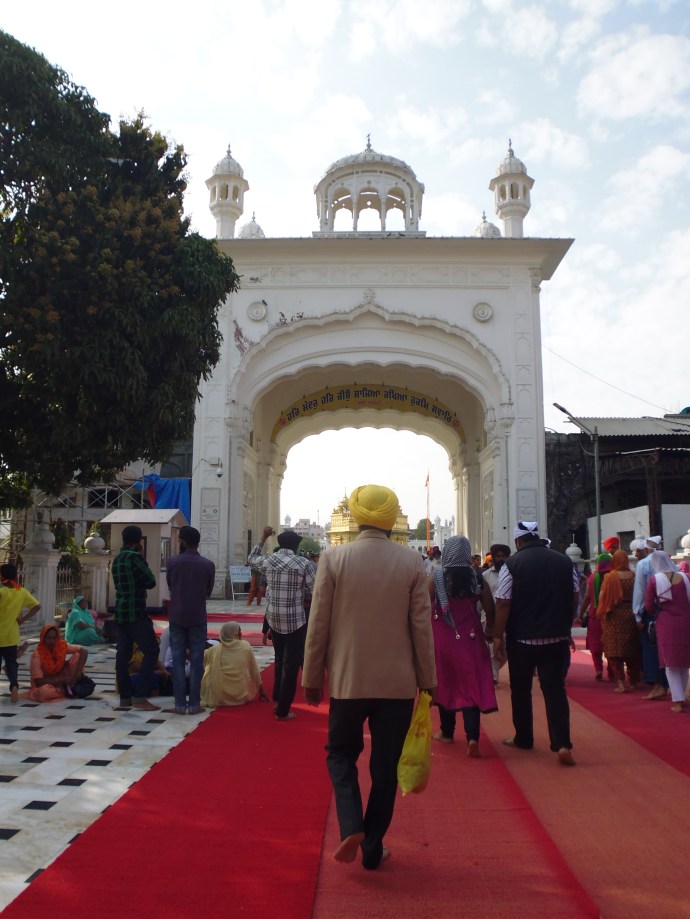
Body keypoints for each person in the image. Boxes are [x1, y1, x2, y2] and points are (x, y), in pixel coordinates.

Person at [302, 484, 436, 870]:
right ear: (392, 518)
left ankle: (350, 824)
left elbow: (319, 624)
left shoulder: (333, 558)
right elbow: (421, 628)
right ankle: (373, 846)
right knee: (385, 767)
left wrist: (312, 675)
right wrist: (428, 679)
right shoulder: (412, 562)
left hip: (347, 679)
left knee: (341, 754)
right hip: (396, 684)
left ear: (357, 517)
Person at [493, 521, 579, 767]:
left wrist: (498, 635)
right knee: (555, 690)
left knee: (521, 690)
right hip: (556, 638)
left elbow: (503, 603)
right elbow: (574, 598)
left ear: (518, 542)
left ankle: (524, 737)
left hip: (522, 640)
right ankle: (562, 743)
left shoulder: (512, 565)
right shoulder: (565, 562)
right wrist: (565, 625)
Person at [430, 536, 497, 757]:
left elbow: (422, 604)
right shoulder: (477, 577)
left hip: (443, 638)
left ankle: (447, 732)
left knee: (445, 683)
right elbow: (489, 607)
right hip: (470, 638)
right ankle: (472, 738)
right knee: (471, 686)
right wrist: (490, 632)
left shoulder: (438, 576)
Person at [249, 527, 315, 720]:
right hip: (295, 619)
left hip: (274, 618)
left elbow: (251, 559)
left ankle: (278, 697)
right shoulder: (304, 563)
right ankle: (283, 710)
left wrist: (262, 537)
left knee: (279, 657)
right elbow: (316, 589)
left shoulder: (269, 560)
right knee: (291, 664)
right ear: (296, 546)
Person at [165, 525, 215, 715]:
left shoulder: (173, 562)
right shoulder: (207, 564)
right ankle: (194, 704)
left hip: (177, 616)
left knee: (177, 660)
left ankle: (179, 704)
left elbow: (170, 585)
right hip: (197, 616)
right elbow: (209, 591)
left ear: (183, 542)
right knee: (196, 660)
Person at [111, 525, 159, 712]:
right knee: (152, 650)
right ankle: (139, 695)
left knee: (123, 656)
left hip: (121, 612)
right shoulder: (134, 558)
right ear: (138, 540)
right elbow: (150, 581)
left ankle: (125, 697)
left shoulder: (117, 559)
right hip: (136, 612)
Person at [643, 551, 690, 713]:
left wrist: (655, 613)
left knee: (670, 662)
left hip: (666, 623)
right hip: (686, 621)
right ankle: (681, 695)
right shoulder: (685, 577)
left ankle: (678, 700)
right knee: (684, 661)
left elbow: (648, 605)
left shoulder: (655, 580)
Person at [633, 536, 673, 700]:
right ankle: (668, 684)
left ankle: (657, 684)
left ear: (646, 549)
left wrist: (637, 614)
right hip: (669, 610)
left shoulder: (644, 564)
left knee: (651, 647)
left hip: (651, 609)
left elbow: (640, 591)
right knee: (666, 648)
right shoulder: (670, 562)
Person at [595, 550, 642, 692]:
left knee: (614, 649)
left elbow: (603, 597)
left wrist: (602, 612)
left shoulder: (610, 577)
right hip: (631, 615)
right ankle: (633, 681)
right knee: (632, 649)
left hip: (614, 616)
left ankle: (621, 683)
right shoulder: (634, 576)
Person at [201, 621, 270, 707]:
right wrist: (261, 691)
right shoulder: (245, 646)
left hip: (218, 695)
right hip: (239, 696)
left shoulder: (215, 649)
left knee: (209, 671)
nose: (241, 634)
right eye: (239, 632)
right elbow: (254, 671)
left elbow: (200, 658)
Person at [0, 563, 40, 702]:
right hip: (11, 635)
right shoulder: (21, 592)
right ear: (16, 576)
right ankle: (14, 686)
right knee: (11, 663)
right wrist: (23, 619)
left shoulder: (2, 592)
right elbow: (37, 606)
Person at [27, 624, 87, 702]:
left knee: (78, 656)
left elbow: (83, 651)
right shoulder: (37, 655)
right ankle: (68, 690)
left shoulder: (61, 646)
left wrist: (78, 671)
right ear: (43, 639)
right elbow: (39, 682)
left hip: (63, 679)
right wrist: (62, 680)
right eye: (49, 638)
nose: (52, 641)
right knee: (43, 693)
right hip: (46, 684)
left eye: (54, 638)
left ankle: (69, 688)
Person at [579, 554, 614, 682]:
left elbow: (587, 597)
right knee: (611, 645)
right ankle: (612, 671)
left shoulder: (593, 577)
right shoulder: (614, 577)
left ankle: (598, 669)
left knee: (595, 644)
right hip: (611, 616)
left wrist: (580, 613)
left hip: (595, 615)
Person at [480, 543, 511, 685]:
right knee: (492, 648)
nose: (501, 559)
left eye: (503, 556)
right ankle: (493, 677)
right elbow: (480, 599)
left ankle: (495, 670)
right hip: (489, 617)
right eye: (498, 556)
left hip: (509, 617)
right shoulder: (485, 575)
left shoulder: (513, 574)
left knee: (505, 651)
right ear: (493, 557)